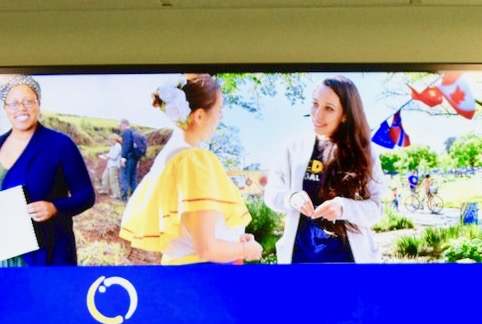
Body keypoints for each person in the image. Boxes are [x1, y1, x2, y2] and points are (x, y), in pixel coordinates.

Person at [120, 74, 263, 265]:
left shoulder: (169, 158)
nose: (221, 116)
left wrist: (234, 239)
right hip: (208, 277)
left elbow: (188, 233)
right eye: (219, 109)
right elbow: (207, 249)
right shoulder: (195, 160)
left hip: (184, 274)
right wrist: (247, 249)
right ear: (199, 116)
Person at [0, 75, 96, 267]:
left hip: (47, 257)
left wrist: (55, 208)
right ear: (5, 108)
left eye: (28, 101)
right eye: (13, 103)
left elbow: (86, 195)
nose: (21, 108)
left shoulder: (60, 144)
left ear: (38, 104)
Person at [271, 77, 388, 264]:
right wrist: (292, 198)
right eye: (315, 104)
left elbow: (377, 209)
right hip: (299, 263)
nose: (317, 114)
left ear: (345, 115)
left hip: (349, 264)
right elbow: (272, 195)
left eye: (329, 108)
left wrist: (343, 207)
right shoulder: (293, 148)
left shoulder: (365, 152)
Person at [120, 118, 150, 200]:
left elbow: (127, 145)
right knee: (133, 178)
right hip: (135, 158)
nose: (120, 127)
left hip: (128, 158)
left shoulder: (126, 132)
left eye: (120, 125)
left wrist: (123, 157)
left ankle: (124, 198)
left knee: (125, 176)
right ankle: (136, 198)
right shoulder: (134, 132)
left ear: (125, 124)